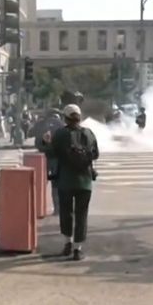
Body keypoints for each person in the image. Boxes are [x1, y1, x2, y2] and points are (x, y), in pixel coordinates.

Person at [43, 104, 99, 261]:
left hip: (65, 181)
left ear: (65, 118)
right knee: (82, 216)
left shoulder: (60, 134)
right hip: (85, 182)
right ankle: (78, 249)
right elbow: (95, 154)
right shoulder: (89, 133)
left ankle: (67, 244)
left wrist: (46, 142)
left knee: (66, 213)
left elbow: (51, 153)